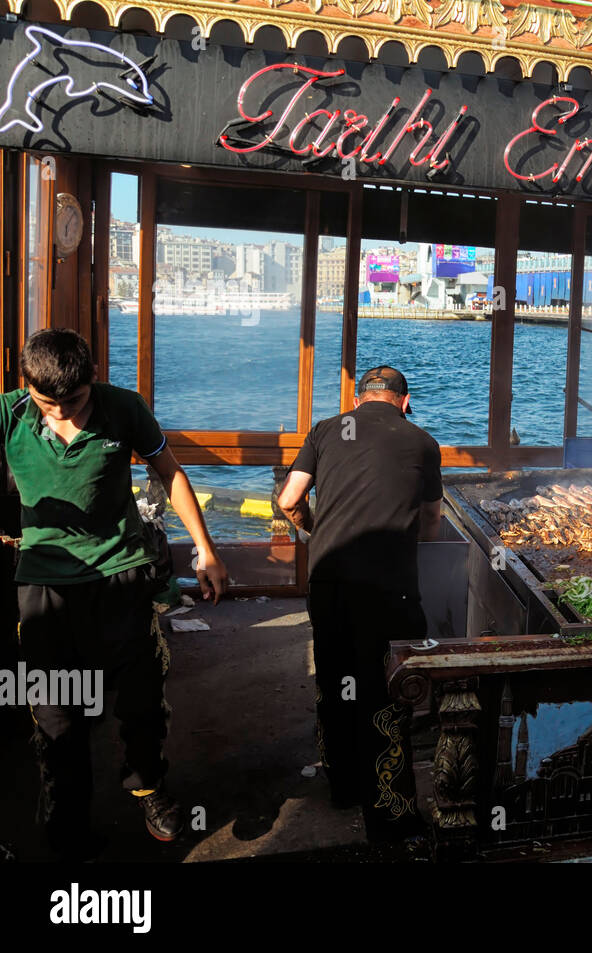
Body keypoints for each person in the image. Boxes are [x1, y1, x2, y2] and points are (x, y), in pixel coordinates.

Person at [3, 329, 228, 859]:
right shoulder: (7, 415)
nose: (64, 415)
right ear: (25, 385)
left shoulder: (124, 408)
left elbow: (168, 472)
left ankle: (148, 787)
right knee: (57, 708)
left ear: (93, 380)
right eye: (48, 404)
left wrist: (205, 548)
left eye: (75, 401)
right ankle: (66, 808)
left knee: (141, 698)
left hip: (121, 573)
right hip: (44, 582)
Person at [277, 365, 443, 844]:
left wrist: (316, 530)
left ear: (357, 400)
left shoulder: (328, 429)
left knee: (335, 679)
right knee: (384, 691)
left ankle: (343, 785)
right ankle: (390, 815)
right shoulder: (422, 441)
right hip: (388, 589)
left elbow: (290, 497)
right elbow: (431, 523)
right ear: (404, 402)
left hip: (327, 578)